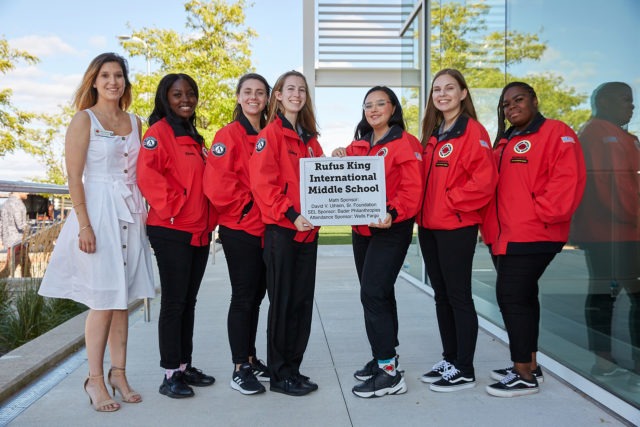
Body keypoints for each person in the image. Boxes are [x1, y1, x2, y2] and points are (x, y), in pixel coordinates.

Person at [38, 52, 156, 412]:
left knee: (123, 302)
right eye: (105, 75)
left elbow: (143, 172)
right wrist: (85, 225)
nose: (112, 82)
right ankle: (94, 379)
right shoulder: (83, 120)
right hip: (98, 213)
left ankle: (118, 373)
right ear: (94, 81)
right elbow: (75, 178)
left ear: (125, 81)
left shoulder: (136, 122)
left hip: (131, 212)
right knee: (104, 301)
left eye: (118, 75)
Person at [482, 81, 586, 397]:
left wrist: (539, 212)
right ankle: (530, 365)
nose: (512, 106)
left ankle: (522, 375)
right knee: (523, 298)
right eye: (506, 104)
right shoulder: (505, 140)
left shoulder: (556, 132)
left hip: (533, 232)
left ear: (535, 101)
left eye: (519, 99)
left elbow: (568, 179)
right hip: (503, 235)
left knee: (511, 296)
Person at [332, 86, 422, 398]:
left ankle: (389, 374)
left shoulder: (405, 142)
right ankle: (386, 357)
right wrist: (338, 156)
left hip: (391, 229)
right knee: (379, 294)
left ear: (393, 108)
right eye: (368, 105)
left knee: (372, 293)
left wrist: (393, 212)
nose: (373, 110)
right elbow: (344, 177)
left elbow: (413, 189)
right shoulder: (360, 144)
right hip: (363, 232)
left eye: (380, 104)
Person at [416, 68, 498, 392]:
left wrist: (450, 200)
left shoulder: (472, 131)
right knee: (442, 296)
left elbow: (484, 181)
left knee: (459, 296)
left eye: (450, 88)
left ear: (463, 93)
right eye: (437, 89)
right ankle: (450, 358)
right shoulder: (435, 133)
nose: (443, 94)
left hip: (455, 227)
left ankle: (465, 367)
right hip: (428, 227)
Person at [137, 73, 217, 399]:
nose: (185, 99)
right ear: (165, 98)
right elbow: (146, 174)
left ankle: (184, 365)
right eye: (177, 94)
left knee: (189, 302)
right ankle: (169, 374)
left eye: (190, 93)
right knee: (173, 303)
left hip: (198, 230)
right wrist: (175, 205)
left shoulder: (194, 136)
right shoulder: (158, 133)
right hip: (171, 229)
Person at [249, 70, 324, 397]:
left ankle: (293, 367)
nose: (297, 94)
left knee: (301, 303)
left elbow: (324, 184)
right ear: (277, 95)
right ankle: (279, 375)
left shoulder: (311, 140)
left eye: (301, 90)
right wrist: (291, 215)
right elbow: (263, 185)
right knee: (282, 303)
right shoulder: (272, 135)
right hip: (283, 232)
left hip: (309, 234)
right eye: (290, 89)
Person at [203, 73, 271, 395]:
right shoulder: (228, 134)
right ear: (238, 96)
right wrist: (246, 209)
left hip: (267, 228)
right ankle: (239, 368)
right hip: (240, 229)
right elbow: (216, 184)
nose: (254, 97)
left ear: (268, 98)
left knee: (257, 297)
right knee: (244, 296)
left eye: (260, 92)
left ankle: (251, 356)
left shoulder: (270, 133)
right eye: (248, 92)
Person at [570, 82, 640, 390]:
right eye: (625, 99)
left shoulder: (621, 136)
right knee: (609, 297)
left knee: (607, 296)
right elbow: (612, 189)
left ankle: (606, 361)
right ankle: (606, 362)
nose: (632, 106)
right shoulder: (600, 134)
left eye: (633, 100)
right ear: (603, 101)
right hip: (615, 234)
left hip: (623, 232)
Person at [0, 192, 30, 278]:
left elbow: (1, 224)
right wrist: (31, 230)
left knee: (26, 266)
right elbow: (21, 224)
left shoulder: (5, 204)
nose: (27, 193)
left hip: (10, 241)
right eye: (25, 190)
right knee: (10, 268)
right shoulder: (17, 204)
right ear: (18, 191)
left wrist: (1, 239)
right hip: (18, 241)